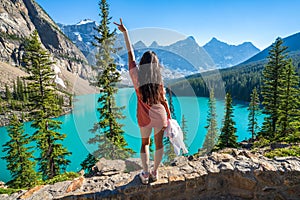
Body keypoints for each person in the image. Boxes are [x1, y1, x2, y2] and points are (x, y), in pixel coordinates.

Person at [114, 19, 171, 184]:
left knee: (145, 143)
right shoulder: (159, 81)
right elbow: (164, 101)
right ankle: (155, 172)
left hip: (144, 116)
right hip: (160, 115)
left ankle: (145, 174)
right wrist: (168, 116)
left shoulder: (136, 76)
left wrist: (125, 34)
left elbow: (130, 54)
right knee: (159, 144)